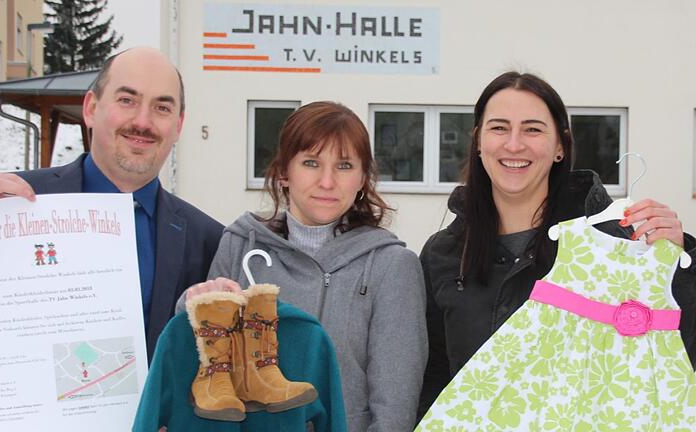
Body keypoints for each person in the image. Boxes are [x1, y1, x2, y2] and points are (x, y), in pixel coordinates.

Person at [0, 47, 224, 431]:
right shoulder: (8, 205)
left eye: (162, 108)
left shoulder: (206, 239)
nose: (143, 121)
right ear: (90, 108)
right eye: (126, 100)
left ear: (179, 125)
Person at [417, 71, 696, 418]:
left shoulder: (613, 243)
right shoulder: (443, 254)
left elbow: (673, 360)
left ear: (560, 146)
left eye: (533, 129)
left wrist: (680, 264)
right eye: (499, 127)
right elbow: (433, 378)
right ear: (478, 140)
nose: (514, 144)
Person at [183, 101, 428, 432]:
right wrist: (189, 304)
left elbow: (394, 406)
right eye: (311, 163)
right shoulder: (241, 245)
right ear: (284, 172)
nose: (327, 182)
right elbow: (205, 362)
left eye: (344, 166)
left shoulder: (392, 266)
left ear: (362, 179)